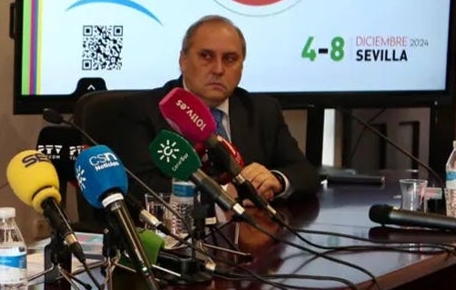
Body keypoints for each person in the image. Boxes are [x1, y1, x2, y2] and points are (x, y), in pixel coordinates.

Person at [101, 15, 317, 202]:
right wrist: (227, 194)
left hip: (252, 239)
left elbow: (305, 173)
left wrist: (276, 180)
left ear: (242, 66)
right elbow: (141, 188)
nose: (218, 69)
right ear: (183, 60)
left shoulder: (262, 110)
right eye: (206, 56)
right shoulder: (143, 110)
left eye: (230, 59)